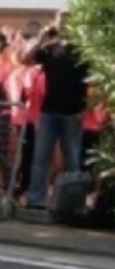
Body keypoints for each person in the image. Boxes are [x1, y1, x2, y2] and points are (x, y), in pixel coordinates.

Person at [20, 11, 89, 209]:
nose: (64, 26)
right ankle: (36, 200)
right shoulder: (50, 49)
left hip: (73, 112)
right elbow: (25, 60)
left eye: (68, 22)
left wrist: (87, 109)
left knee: (72, 160)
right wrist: (40, 39)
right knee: (41, 158)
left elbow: (95, 80)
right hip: (49, 111)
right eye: (61, 22)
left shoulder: (82, 50)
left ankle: (72, 203)